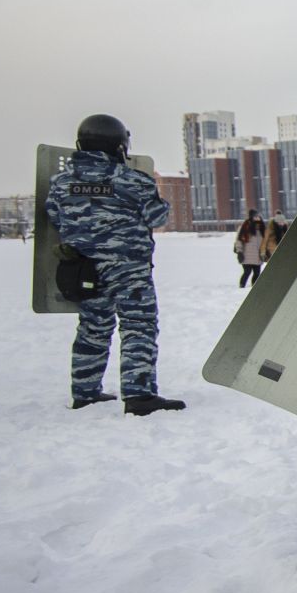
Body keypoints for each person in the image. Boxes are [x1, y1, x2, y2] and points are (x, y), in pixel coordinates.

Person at [45, 115, 186, 416]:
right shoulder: (132, 179)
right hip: (128, 269)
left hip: (84, 269)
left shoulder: (61, 183)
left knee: (93, 328)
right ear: (119, 145)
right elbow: (157, 217)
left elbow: (55, 218)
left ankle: (85, 392)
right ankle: (139, 394)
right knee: (138, 326)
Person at [234, 209, 268, 288]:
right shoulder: (244, 227)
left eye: (258, 216)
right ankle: (241, 287)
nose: (257, 218)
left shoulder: (262, 228)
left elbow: (265, 241)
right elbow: (239, 240)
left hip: (257, 256)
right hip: (246, 255)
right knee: (247, 272)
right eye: (255, 216)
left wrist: (266, 252)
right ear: (251, 217)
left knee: (257, 273)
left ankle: (254, 287)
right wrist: (239, 252)